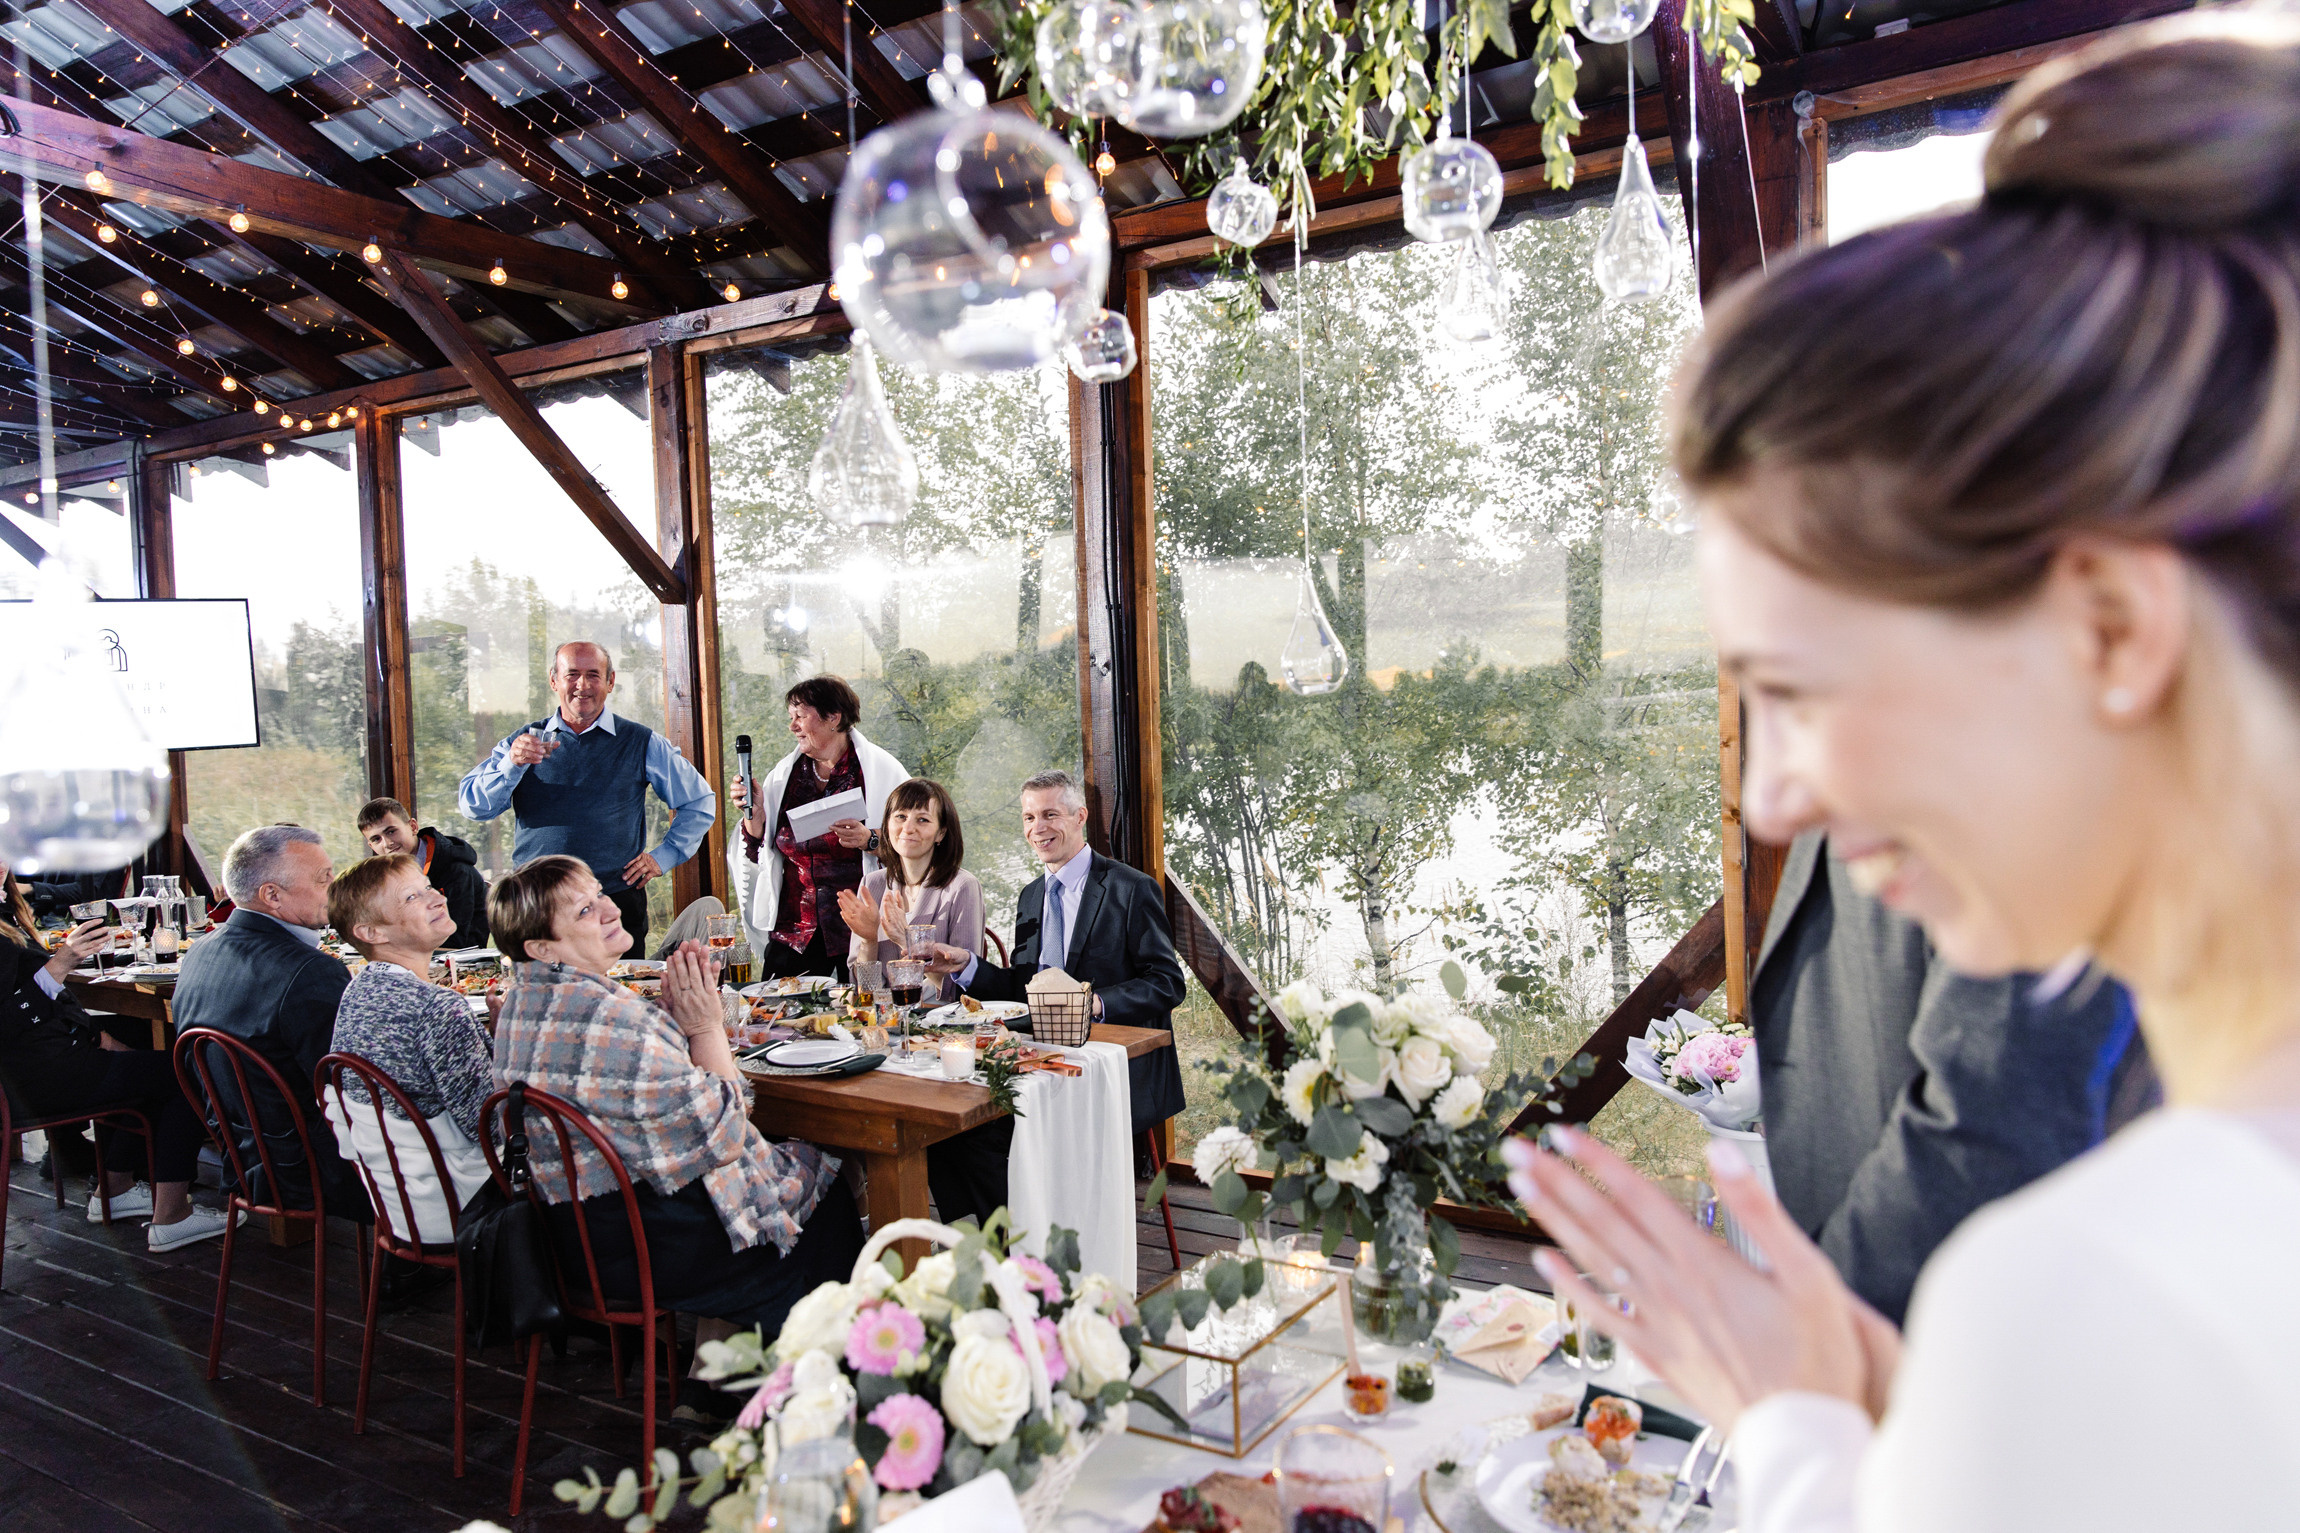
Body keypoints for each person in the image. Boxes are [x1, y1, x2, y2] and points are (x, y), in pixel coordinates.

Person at [1500, 18, 2300, 1531]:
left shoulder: (2090, 1299)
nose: (1771, 800)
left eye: (1803, 690)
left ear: (2113, 626)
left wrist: (1803, 1440)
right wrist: (1880, 1412)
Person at [489, 854, 863, 1424]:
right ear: (543, 947)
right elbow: (730, 1130)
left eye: (600, 892)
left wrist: (669, 1025)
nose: (610, 908)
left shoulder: (517, 1003)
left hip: (571, 1240)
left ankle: (711, 1378)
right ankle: (835, 1397)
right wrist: (704, 1026)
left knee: (750, 1181)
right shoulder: (611, 1018)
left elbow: (634, 1096)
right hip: (650, 1255)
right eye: (585, 910)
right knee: (826, 1185)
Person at [1750, 829, 2149, 1324]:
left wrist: (1825, 1318)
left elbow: (1992, 1111)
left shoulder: (2016, 801)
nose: (1769, 805)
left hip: (1968, 1317)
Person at [920, 769, 1186, 1224]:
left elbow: (1167, 982)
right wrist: (965, 964)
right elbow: (1023, 986)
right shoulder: (1031, 896)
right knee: (945, 1125)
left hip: (1111, 1062)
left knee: (985, 1136)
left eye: (1049, 815)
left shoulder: (1130, 888)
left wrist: (1094, 1002)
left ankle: (1025, 1245)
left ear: (1079, 816)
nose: (1037, 828)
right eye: (1027, 817)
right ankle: (993, 1240)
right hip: (1039, 1055)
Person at [0, 858, 228, 1250]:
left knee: (137, 1038)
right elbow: (10, 1020)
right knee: (185, 1071)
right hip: (30, 1082)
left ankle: (115, 1188)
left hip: (34, 1065)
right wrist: (60, 965)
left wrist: (96, 1036)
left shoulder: (7, 913)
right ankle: (172, 1215)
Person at [456, 642, 716, 955]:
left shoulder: (640, 741)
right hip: (536, 906)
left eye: (593, 675)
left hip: (614, 905)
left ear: (610, 682)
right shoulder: (523, 741)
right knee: (538, 1000)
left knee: (619, 998)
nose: (582, 685)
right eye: (572, 675)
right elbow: (473, 805)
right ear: (554, 681)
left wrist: (663, 857)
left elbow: (699, 802)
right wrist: (511, 764)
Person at [172, 825, 367, 1218]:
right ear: (272, 896)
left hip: (241, 1158)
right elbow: (352, 1085)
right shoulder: (310, 971)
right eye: (323, 878)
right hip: (307, 1171)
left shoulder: (199, 951)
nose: (336, 887)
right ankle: (412, 1259)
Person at [324, 854, 496, 1249]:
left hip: (399, 1202)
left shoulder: (357, 991)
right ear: (371, 932)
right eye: (411, 898)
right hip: (463, 1204)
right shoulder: (438, 1007)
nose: (437, 898)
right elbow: (492, 1127)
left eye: (428, 887)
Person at [729, 675, 909, 982]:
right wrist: (754, 815)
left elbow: (917, 845)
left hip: (858, 929)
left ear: (833, 718)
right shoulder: (784, 775)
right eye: (791, 717)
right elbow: (759, 846)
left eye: (800, 716)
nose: (793, 726)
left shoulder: (882, 771)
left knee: (859, 1017)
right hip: (794, 931)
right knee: (776, 1019)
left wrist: (870, 840)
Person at [838, 778, 983, 1003]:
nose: (908, 828)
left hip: (942, 1024)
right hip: (886, 1022)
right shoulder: (871, 884)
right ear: (887, 824)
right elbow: (865, 993)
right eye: (901, 817)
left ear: (941, 833)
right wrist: (868, 940)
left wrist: (907, 942)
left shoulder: (962, 887)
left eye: (922, 819)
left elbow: (963, 991)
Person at [356, 798, 490, 950]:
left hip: (462, 963)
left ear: (413, 827)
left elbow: (454, 940)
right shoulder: (387, 876)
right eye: (376, 839)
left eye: (391, 832)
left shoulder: (456, 870)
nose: (387, 843)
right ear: (371, 846)